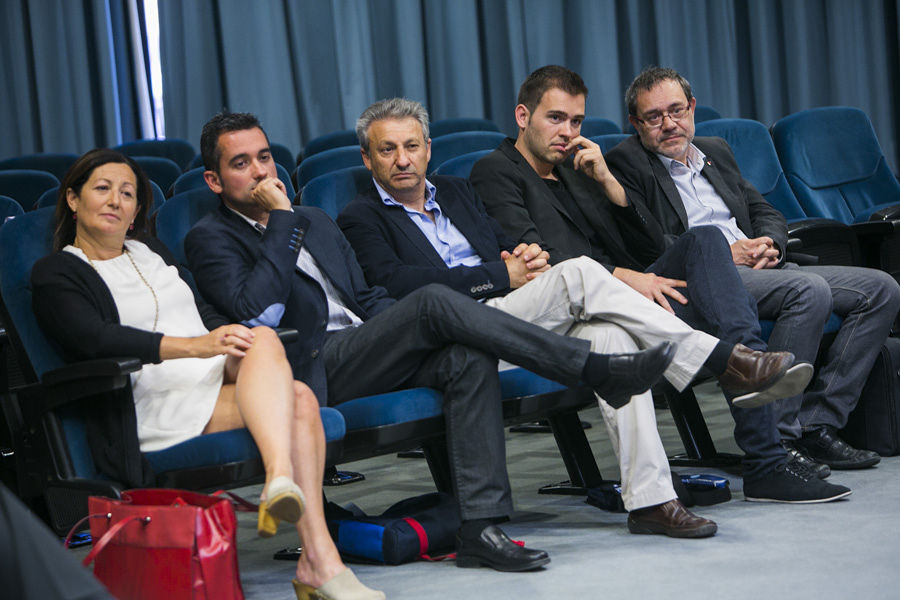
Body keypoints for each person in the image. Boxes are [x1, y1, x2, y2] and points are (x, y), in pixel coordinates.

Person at [184, 112, 683, 572]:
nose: (259, 171)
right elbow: (257, 311)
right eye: (241, 163)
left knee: (465, 354)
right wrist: (282, 224)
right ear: (214, 180)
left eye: (265, 157)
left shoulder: (314, 219)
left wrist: (404, 330)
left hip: (364, 346)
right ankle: (595, 368)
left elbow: (366, 296)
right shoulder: (212, 237)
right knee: (429, 301)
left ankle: (479, 528)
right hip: (306, 367)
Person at [337, 98, 814, 537]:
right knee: (579, 274)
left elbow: (501, 253)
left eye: (411, 146)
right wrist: (498, 272)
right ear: (368, 159)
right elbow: (400, 288)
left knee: (614, 339)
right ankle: (726, 362)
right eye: (387, 149)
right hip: (457, 336)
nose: (402, 159)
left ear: (427, 150)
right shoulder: (359, 217)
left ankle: (651, 502)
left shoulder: (458, 194)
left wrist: (520, 261)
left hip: (514, 318)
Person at [470, 65, 853, 503]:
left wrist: (609, 184)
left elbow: (640, 244)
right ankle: (763, 446)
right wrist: (630, 278)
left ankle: (747, 372)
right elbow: (539, 261)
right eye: (555, 118)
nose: (567, 131)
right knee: (731, 286)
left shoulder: (577, 169)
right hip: (575, 311)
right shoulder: (494, 170)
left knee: (706, 238)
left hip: (636, 294)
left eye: (576, 121)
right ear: (523, 116)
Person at [30, 149, 384, 600]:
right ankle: (320, 562)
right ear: (73, 200)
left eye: (128, 193)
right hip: (148, 397)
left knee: (262, 337)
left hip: (209, 375)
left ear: (138, 211)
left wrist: (222, 334)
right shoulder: (58, 271)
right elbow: (95, 340)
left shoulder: (149, 251)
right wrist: (198, 346)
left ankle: (282, 487)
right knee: (299, 401)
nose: (116, 201)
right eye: (103, 189)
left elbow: (193, 314)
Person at [605, 65, 900, 475]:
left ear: (692, 108)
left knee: (882, 289)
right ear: (636, 124)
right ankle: (778, 439)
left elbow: (763, 210)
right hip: (706, 280)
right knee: (807, 290)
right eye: (654, 117)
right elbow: (651, 246)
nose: (669, 124)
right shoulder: (627, 164)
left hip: (762, 268)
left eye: (676, 110)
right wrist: (732, 254)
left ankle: (817, 424)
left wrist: (770, 244)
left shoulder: (715, 151)